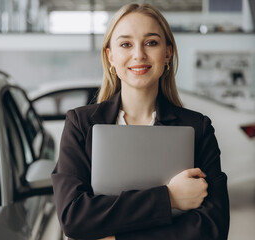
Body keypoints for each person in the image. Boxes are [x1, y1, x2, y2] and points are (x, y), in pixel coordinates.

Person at [51, 2, 230, 240]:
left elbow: (212, 228)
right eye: (126, 44)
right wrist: (169, 198)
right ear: (110, 56)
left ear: (167, 53)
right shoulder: (81, 125)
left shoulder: (198, 129)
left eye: (151, 42)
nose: (139, 54)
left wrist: (118, 237)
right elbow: (74, 218)